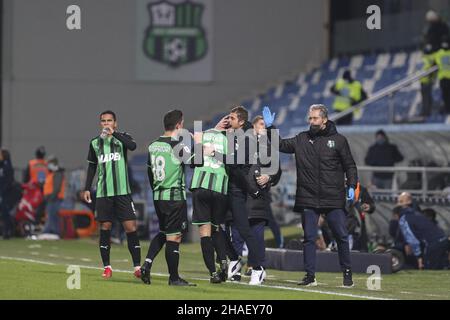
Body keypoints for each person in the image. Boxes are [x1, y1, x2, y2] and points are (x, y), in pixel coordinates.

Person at [264, 104, 358, 287]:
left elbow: (350, 165)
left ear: (324, 119)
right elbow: (281, 145)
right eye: (310, 118)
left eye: (315, 118)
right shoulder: (301, 139)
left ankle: (347, 273)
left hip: (333, 197)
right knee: (309, 238)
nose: (311, 121)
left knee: (341, 235)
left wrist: (352, 184)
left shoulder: (339, 140)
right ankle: (310, 276)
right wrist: (270, 128)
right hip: (308, 197)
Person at [140, 110, 205, 286]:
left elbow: (149, 171)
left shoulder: (153, 145)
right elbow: (197, 162)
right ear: (178, 125)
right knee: (174, 237)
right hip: (174, 196)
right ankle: (174, 278)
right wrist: (198, 141)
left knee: (164, 231)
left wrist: (157, 189)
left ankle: (146, 264)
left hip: (158, 196)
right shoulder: (177, 145)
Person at [82, 110, 141, 279]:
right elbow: (92, 166)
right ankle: (107, 267)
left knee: (131, 228)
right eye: (103, 121)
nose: (106, 123)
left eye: (109, 121)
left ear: (115, 123)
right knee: (105, 228)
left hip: (122, 193)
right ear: (100, 123)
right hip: (104, 193)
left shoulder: (123, 138)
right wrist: (87, 188)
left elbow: (133, 146)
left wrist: (114, 134)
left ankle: (137, 267)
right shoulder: (95, 143)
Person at [221, 106, 267, 285]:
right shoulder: (235, 136)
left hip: (238, 191)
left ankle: (257, 268)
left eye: (231, 118)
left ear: (240, 121)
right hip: (228, 189)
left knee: (245, 230)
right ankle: (234, 259)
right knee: (216, 227)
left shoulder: (246, 138)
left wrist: (215, 154)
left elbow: (235, 166)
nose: (228, 121)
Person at [189, 119, 230, 284]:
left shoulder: (202, 135)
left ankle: (213, 273)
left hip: (201, 185)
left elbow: (193, 161)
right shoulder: (231, 139)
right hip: (220, 187)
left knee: (205, 233)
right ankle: (223, 259)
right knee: (217, 228)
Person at [395, 192, 448, 270]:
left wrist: (419, 257)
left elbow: (412, 239)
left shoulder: (404, 218)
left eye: (400, 201)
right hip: (443, 240)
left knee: (431, 271)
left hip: (433, 245)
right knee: (441, 269)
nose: (397, 204)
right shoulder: (418, 214)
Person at [40, 156, 65, 239]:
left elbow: (56, 188)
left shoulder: (57, 173)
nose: (48, 165)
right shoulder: (52, 173)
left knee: (51, 216)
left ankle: (48, 232)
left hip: (54, 198)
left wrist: (51, 197)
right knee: (52, 216)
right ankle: (53, 232)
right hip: (52, 198)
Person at [0, 149, 15, 239]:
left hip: (5, 193)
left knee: (5, 213)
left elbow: (9, 181)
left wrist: (3, 192)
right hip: (2, 192)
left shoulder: (8, 167)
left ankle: (8, 231)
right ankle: (7, 230)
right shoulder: (2, 166)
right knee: (4, 213)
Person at [420, 44, 437, 118]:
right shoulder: (432, 57)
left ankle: (426, 112)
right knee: (427, 97)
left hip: (425, 80)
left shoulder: (426, 58)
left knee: (426, 97)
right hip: (427, 80)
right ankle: (427, 112)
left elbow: (427, 68)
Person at [434, 38, 450, 115]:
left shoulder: (438, 54)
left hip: (444, 77)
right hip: (444, 78)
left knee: (446, 96)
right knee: (445, 96)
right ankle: (447, 110)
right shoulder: (438, 54)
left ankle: (447, 109)